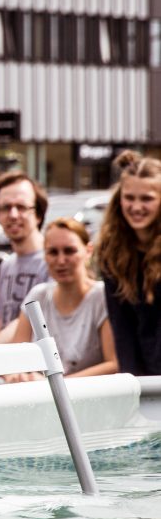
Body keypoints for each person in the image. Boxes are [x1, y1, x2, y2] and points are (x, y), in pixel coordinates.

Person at [5, 218, 117, 381]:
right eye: (53, 252)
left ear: (88, 251)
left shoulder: (102, 296)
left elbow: (114, 364)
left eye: (69, 251)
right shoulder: (38, 296)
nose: (61, 261)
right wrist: (16, 376)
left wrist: (56, 384)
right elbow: (14, 359)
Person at [96, 150, 161, 376]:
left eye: (147, 198)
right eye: (129, 197)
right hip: (143, 376)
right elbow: (121, 326)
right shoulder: (111, 251)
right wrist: (133, 384)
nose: (136, 206)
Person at [0, 171, 50, 342]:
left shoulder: (53, 261)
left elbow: (25, 323)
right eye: (5, 207)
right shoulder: (6, 265)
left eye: (21, 207)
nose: (13, 215)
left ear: (38, 214)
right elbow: (2, 322)